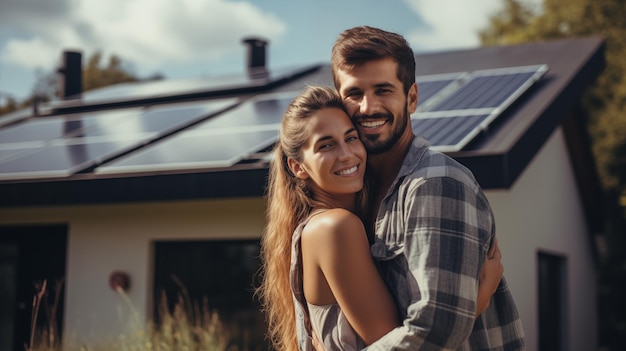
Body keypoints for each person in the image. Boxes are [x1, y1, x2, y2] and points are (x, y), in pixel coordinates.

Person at [257, 86, 503, 351]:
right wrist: (477, 301)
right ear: (298, 167)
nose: (346, 154)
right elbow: (400, 344)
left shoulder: (326, 226)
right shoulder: (336, 227)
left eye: (351, 138)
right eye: (326, 145)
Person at [329, 25, 526, 349]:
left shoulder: (436, 185)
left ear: (412, 98)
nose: (367, 107)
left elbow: (436, 330)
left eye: (383, 90)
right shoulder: (355, 192)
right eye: (354, 93)